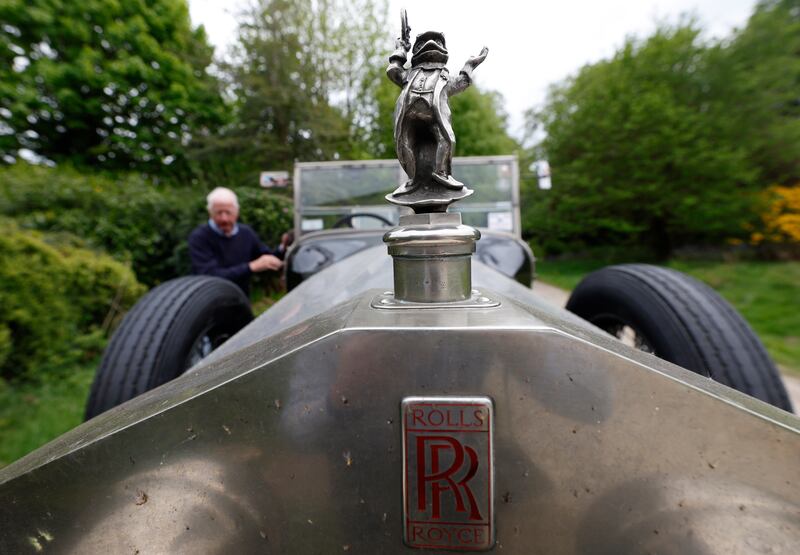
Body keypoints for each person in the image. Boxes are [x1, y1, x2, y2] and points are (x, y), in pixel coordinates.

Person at [188, 187, 287, 297]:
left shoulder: (246, 233)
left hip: (241, 300)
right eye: (219, 213)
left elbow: (267, 257)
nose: (224, 218)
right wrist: (251, 267)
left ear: (237, 212)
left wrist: (284, 246)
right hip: (210, 301)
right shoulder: (200, 237)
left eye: (228, 212)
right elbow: (210, 276)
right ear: (210, 213)